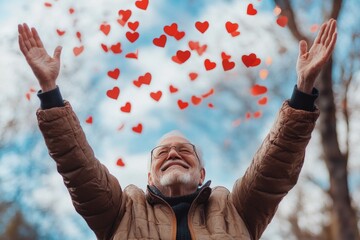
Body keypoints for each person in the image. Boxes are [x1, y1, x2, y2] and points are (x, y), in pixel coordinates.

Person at [18, 18, 337, 240]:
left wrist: (303, 89)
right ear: (148, 178)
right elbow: (78, 167)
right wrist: (50, 91)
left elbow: (275, 166)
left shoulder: (236, 210)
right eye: (163, 152)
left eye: (185, 150)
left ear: (202, 174)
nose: (173, 152)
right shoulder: (120, 211)